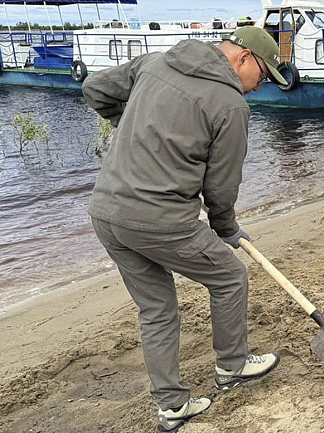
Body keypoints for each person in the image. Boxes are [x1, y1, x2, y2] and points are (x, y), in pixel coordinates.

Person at [83, 26, 288, 432]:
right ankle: (232, 366)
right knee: (229, 277)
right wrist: (227, 229)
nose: (257, 88)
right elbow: (222, 186)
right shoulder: (230, 105)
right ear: (243, 59)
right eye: (261, 77)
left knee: (156, 309)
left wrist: (135, 124)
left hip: (106, 212)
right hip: (158, 218)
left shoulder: (156, 61)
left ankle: (173, 407)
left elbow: (94, 88)